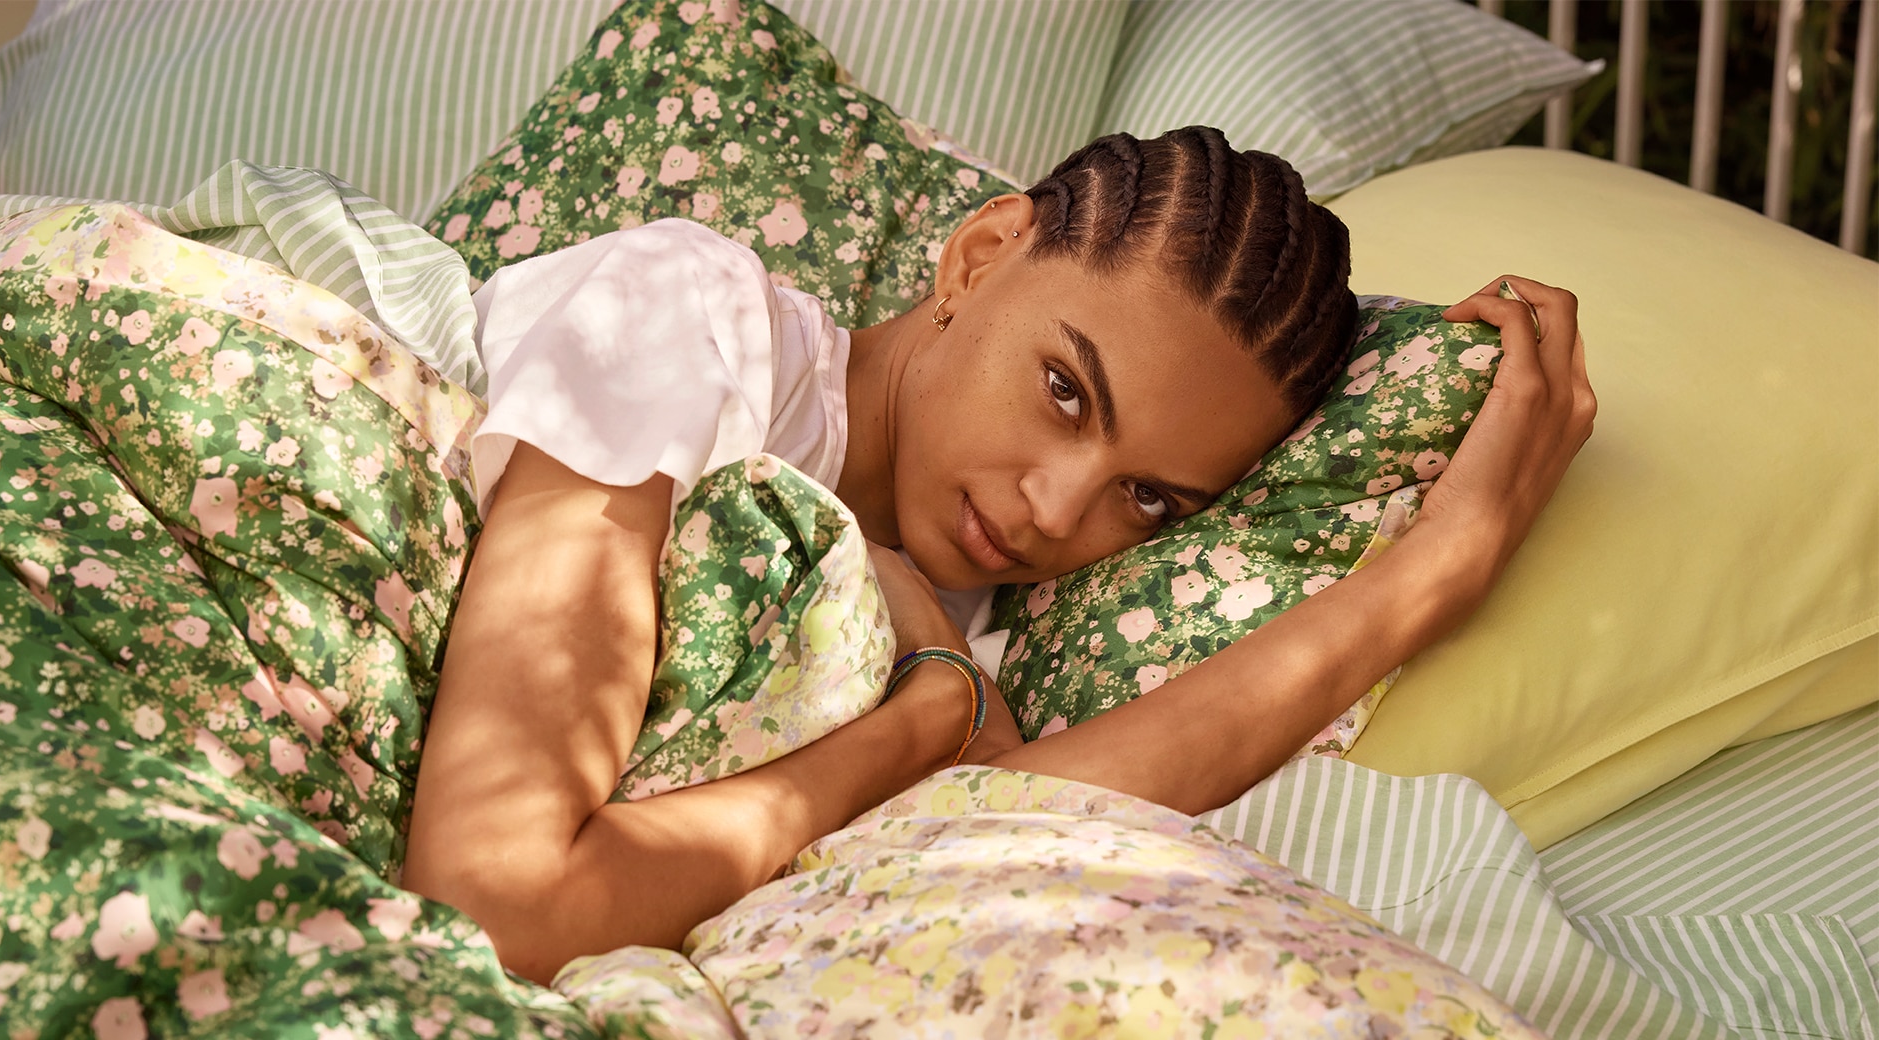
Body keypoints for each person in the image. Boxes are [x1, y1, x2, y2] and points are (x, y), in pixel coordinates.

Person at [403, 127, 1594, 984]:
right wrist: (918, 722)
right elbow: (492, 898)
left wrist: (1442, 561)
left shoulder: (980, 624)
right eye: (1065, 391)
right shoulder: (688, 321)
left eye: (1146, 496)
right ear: (977, 257)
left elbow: (1022, 802)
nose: (1054, 510)